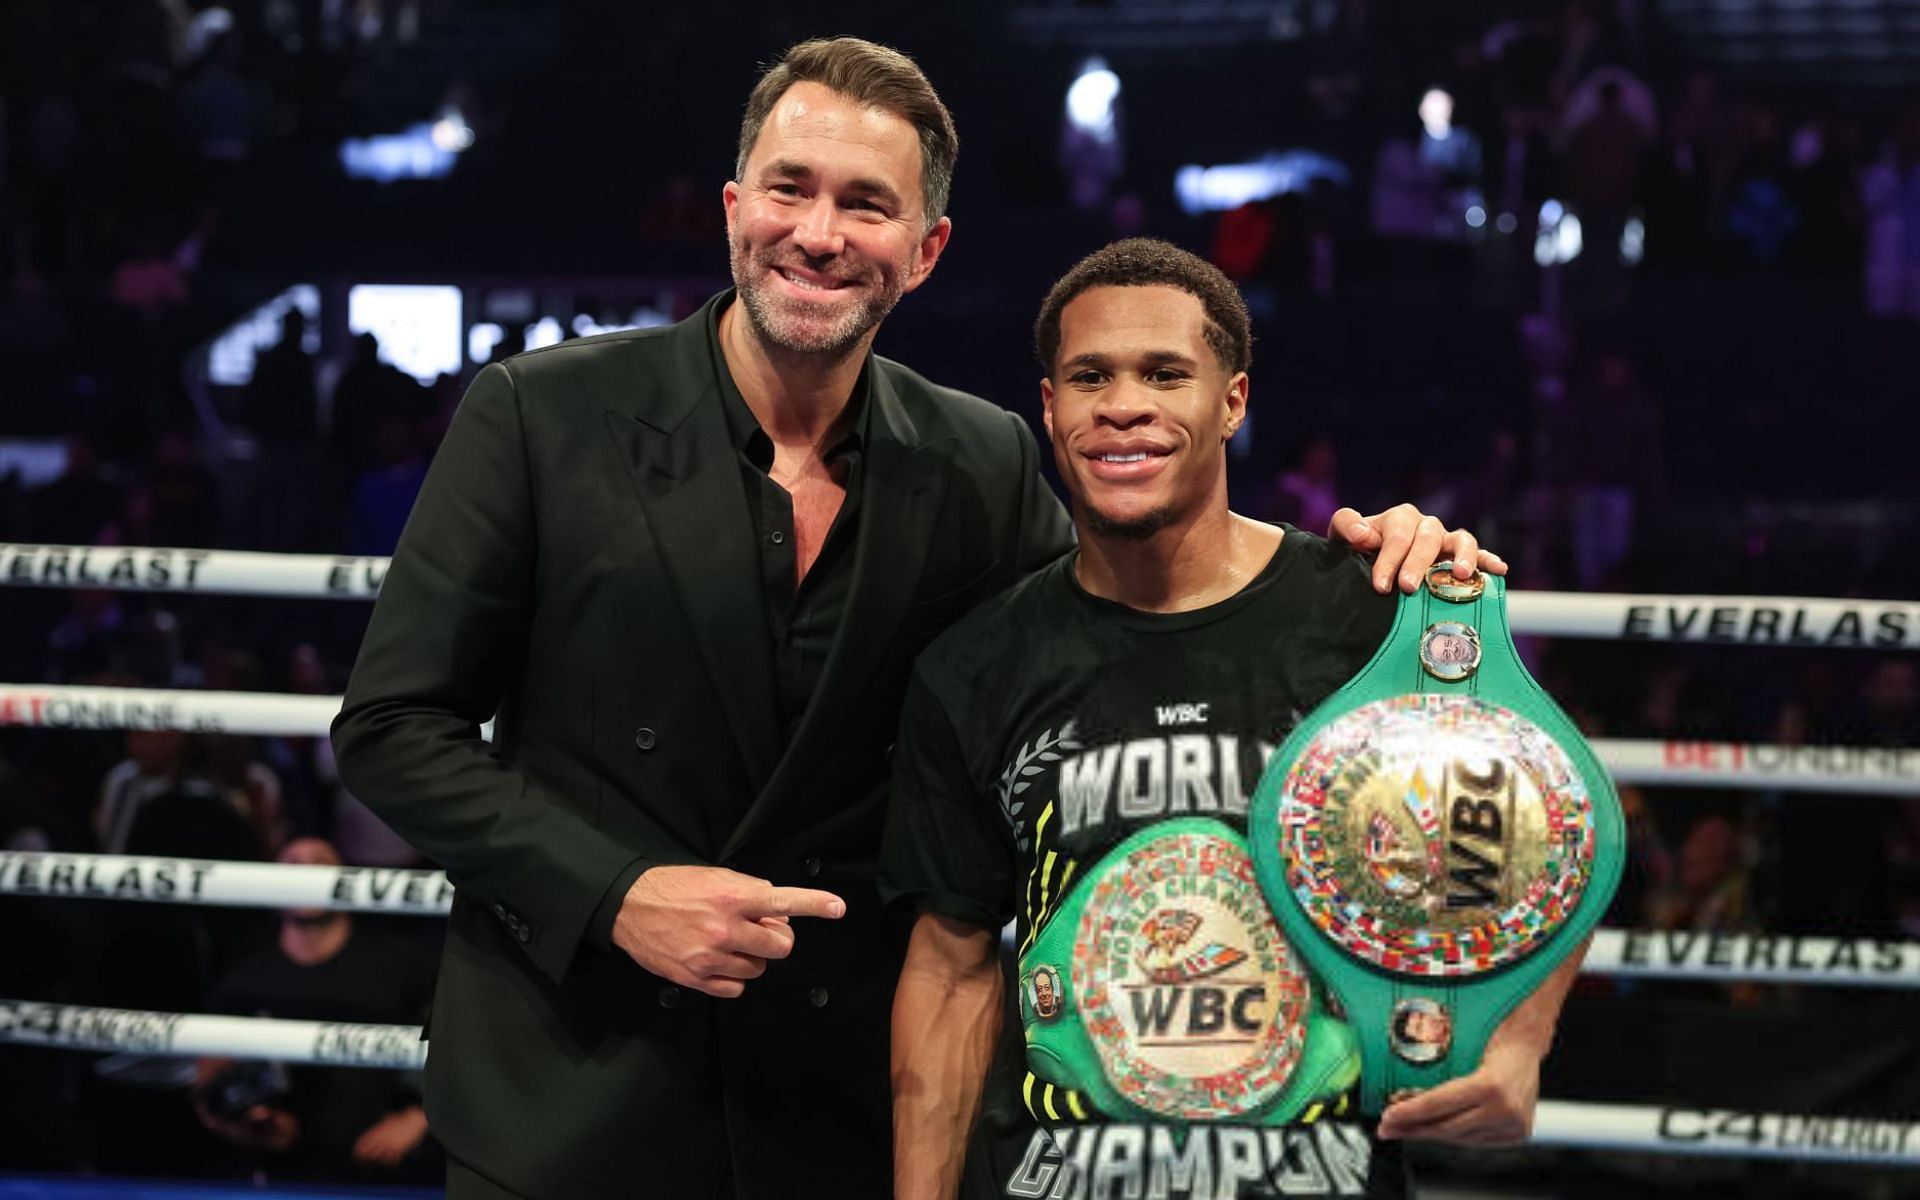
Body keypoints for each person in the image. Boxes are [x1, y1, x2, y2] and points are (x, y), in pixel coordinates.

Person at [332, 39, 1499, 1200]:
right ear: (735, 207)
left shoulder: (981, 457)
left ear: (925, 250)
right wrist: (613, 894)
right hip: (571, 1095)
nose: (821, 233)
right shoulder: (543, 416)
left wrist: (1370, 567)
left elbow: (1127, 639)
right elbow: (392, 724)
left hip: (840, 1111)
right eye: (790, 188)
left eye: (867, 205)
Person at [883, 239, 1576, 1200]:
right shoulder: (976, 665)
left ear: (1234, 403)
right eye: (1091, 376)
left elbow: (1560, 822)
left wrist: (1519, 1042)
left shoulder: (1364, 614)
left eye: (1166, 373)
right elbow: (951, 973)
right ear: (1050, 408)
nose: (1124, 403)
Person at [195, 838, 440, 1184]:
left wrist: (417, 1118)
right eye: (294, 865)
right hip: (277, 1169)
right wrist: (246, 1124)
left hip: (383, 1165)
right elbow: (208, 1081)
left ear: (346, 878)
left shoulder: (402, 963)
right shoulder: (244, 974)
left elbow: (455, 1043)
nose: (307, 874)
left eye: (320, 863)